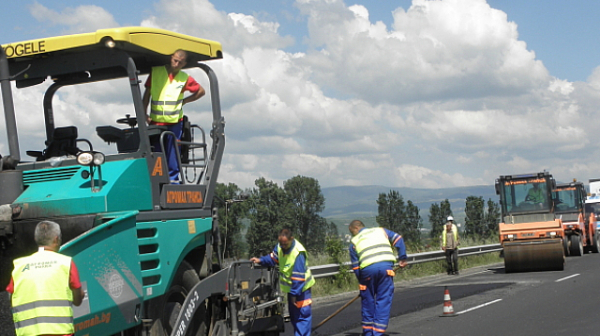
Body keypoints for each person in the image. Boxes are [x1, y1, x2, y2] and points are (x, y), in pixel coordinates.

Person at [6, 221, 84, 336]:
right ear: (56, 239)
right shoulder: (65, 263)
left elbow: (11, 297)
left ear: (35, 239)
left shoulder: (19, 265)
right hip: (60, 333)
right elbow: (77, 300)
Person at [143, 49, 205, 183]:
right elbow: (146, 96)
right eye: (175, 60)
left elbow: (201, 91)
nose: (176, 64)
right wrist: (144, 115)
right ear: (171, 58)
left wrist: (185, 101)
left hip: (175, 122)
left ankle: (173, 181)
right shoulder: (156, 73)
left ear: (184, 64)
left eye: (180, 62)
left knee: (173, 153)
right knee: (155, 154)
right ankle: (155, 181)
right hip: (156, 122)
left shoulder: (184, 78)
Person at [348, 220, 407, 336]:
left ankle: (368, 333)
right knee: (383, 300)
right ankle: (378, 333)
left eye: (352, 232)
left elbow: (356, 267)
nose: (352, 235)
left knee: (368, 302)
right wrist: (402, 257)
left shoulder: (354, 242)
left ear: (355, 228)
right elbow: (398, 239)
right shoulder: (381, 231)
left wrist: (363, 284)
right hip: (386, 269)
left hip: (367, 271)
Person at [250, 228, 314, 336]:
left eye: (285, 244)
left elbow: (298, 278)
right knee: (294, 317)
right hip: (292, 290)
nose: (283, 246)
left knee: (302, 317)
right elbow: (273, 258)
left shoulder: (298, 252)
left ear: (291, 239)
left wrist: (294, 295)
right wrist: (260, 260)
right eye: (281, 244)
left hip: (301, 290)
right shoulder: (280, 247)